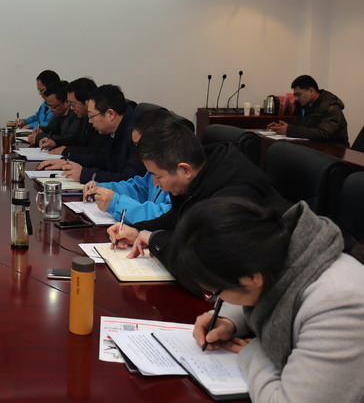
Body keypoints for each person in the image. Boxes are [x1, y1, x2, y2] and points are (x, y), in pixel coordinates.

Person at [165, 197, 364, 403]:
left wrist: (254, 351)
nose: (217, 299)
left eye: (215, 292)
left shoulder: (339, 304)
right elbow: (275, 287)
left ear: (251, 278)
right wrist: (228, 320)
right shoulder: (286, 250)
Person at [107, 119, 288, 259]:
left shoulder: (232, 195)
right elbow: (177, 218)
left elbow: (204, 261)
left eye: (158, 176)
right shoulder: (199, 171)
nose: (155, 184)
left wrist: (155, 239)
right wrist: (138, 231)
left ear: (185, 170)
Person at [37, 84, 144, 184]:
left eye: (92, 116)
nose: (90, 121)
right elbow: (102, 158)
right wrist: (67, 161)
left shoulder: (138, 134)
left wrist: (87, 175)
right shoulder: (115, 127)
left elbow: (131, 179)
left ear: (110, 114)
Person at [81, 109, 174, 223]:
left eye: (140, 145)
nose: (137, 151)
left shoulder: (176, 172)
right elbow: (139, 188)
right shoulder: (157, 165)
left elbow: (165, 217)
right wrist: (101, 188)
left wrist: (116, 203)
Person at [266, 75, 349, 146]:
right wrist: (282, 127)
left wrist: (289, 130)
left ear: (311, 91)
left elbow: (324, 134)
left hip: (334, 151)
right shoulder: (307, 105)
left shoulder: (331, 107)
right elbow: (299, 126)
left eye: (299, 95)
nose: (296, 98)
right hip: (315, 147)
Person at [39, 77, 106, 156]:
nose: (71, 108)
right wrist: (55, 142)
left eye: (73, 104)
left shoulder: (100, 120)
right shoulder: (83, 117)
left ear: (87, 101)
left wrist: (68, 151)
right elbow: (76, 140)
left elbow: (95, 153)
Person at [27, 81, 80, 147]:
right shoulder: (58, 113)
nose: (51, 110)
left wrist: (39, 137)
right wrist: (41, 130)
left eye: (54, 107)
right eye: (49, 106)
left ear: (66, 102)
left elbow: (69, 138)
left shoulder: (76, 113)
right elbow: (51, 128)